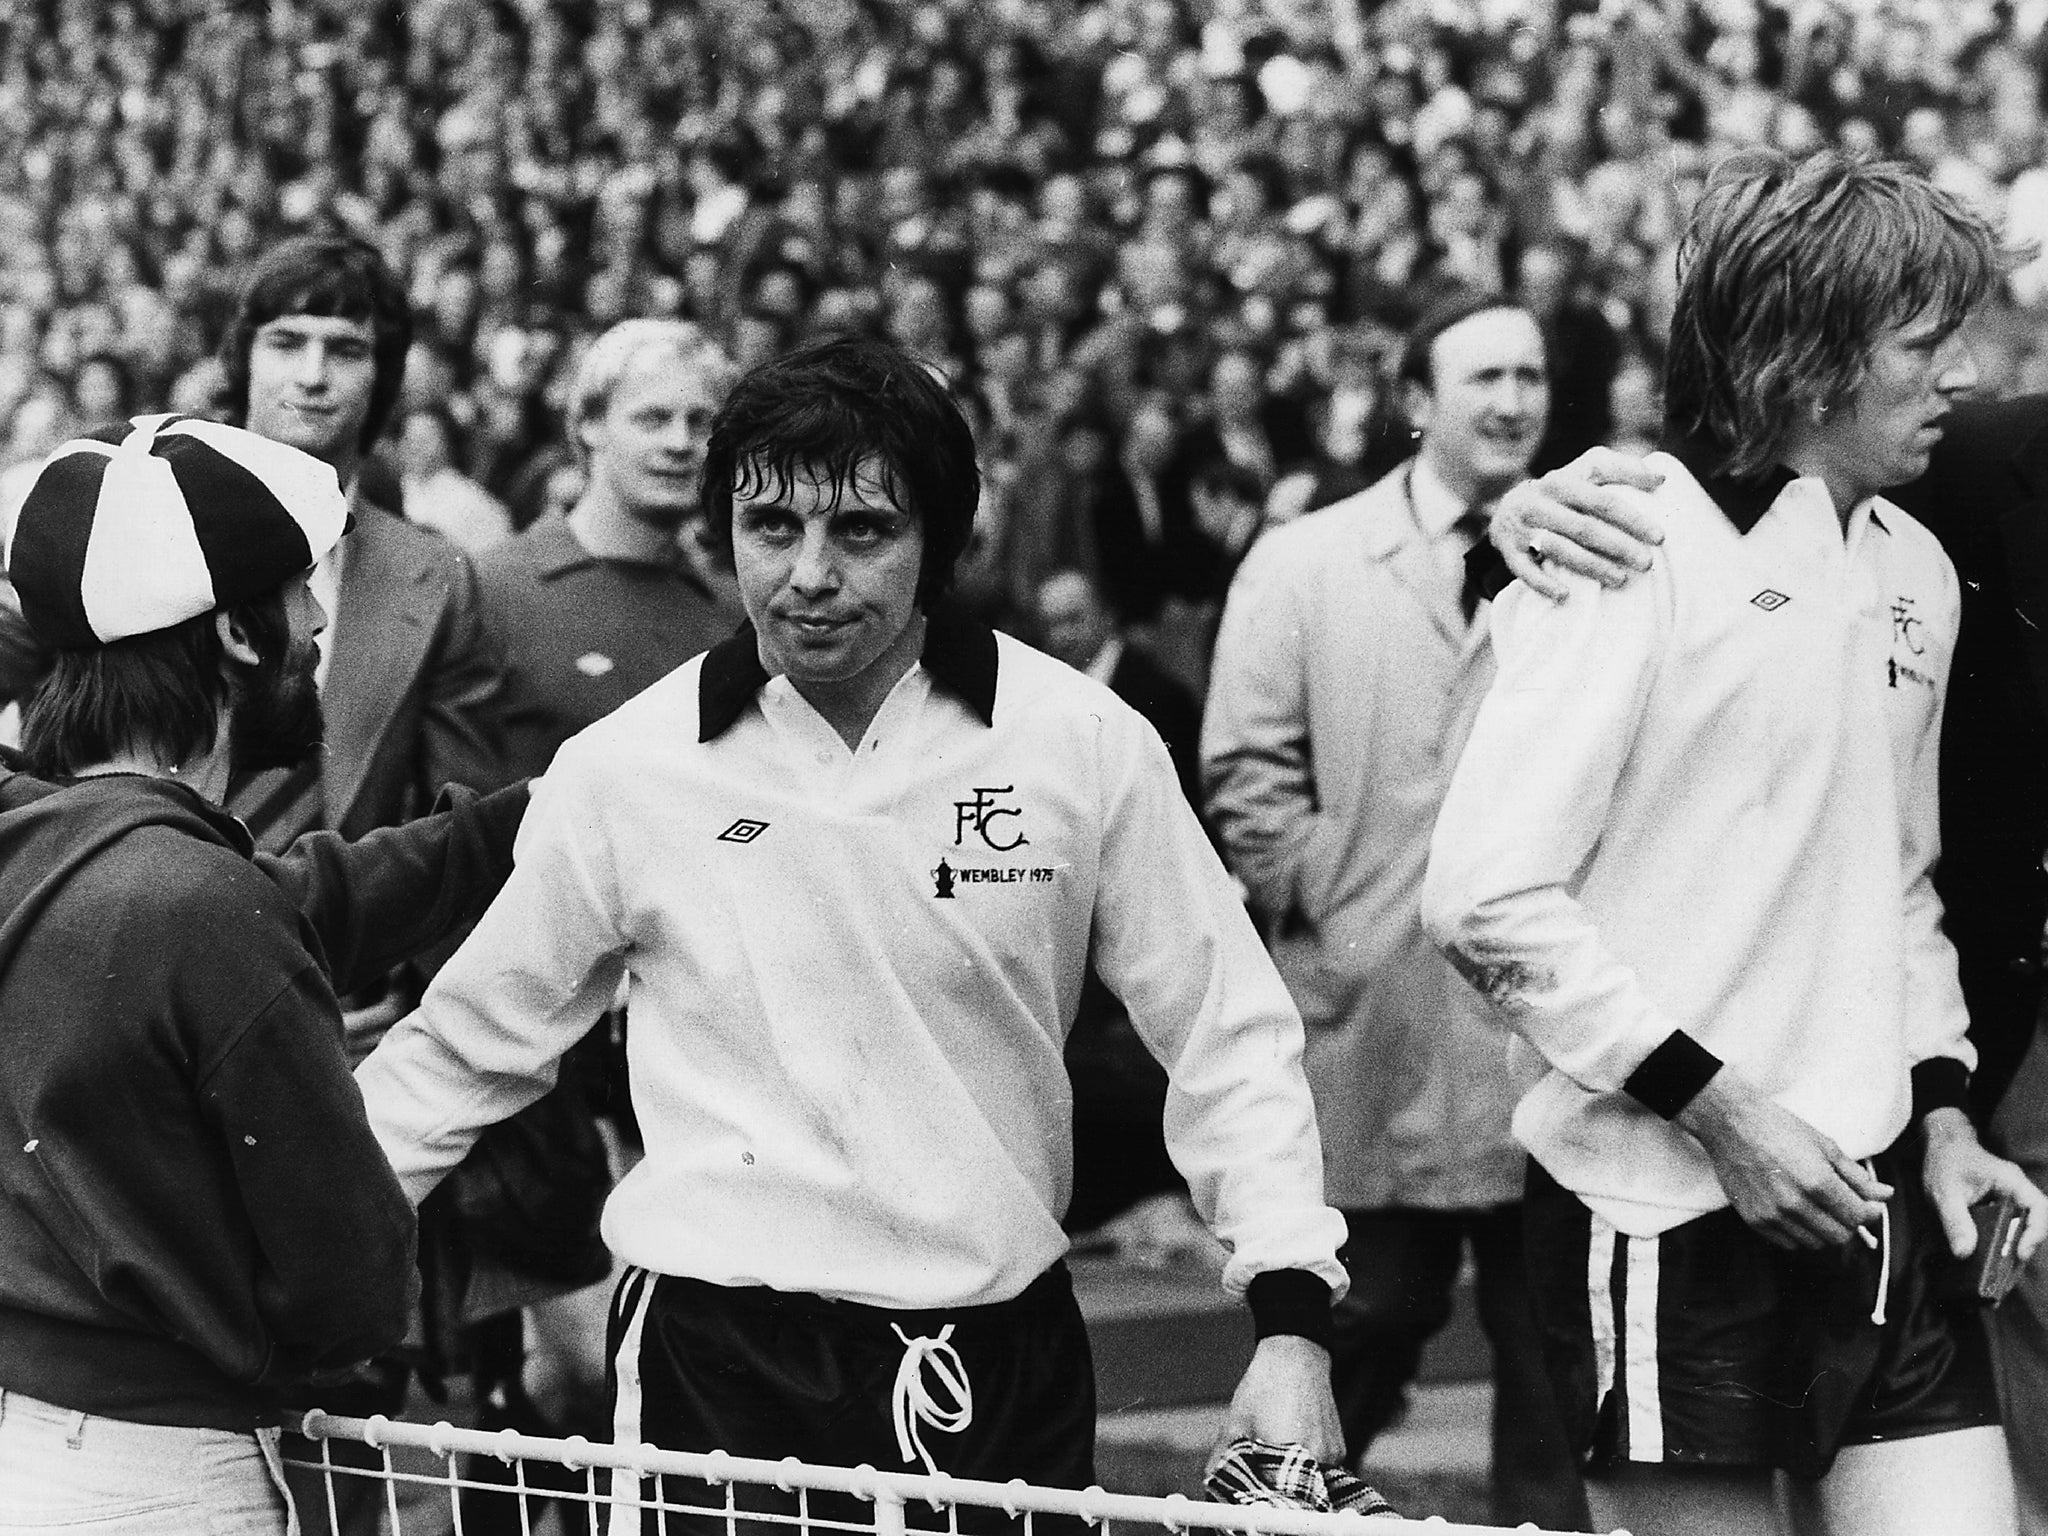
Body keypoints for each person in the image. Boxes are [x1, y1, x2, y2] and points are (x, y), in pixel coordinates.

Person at [356, 334, 1349, 1530]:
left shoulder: (1079, 743)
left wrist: (1290, 1319)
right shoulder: (628, 769)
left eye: (861, 531)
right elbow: (467, 1044)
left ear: (938, 540)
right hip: (714, 1370)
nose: (809, 574)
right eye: (771, 527)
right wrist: (263, 1259)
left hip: (997, 1365)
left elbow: (1225, 1028)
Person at [1420, 151, 2048, 1536]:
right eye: (1925, 341)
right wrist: (1729, 1115)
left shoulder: (1914, 567)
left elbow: (1891, 880)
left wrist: (1940, 1115)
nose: (1963, 374)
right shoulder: (1623, 540)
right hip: (1659, 1207)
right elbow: (1481, 900)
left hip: (1872, 1199)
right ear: (1807, 351)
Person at [0, 416, 527, 1535]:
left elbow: (292, 898)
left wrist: (545, 813)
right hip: (164, 1477)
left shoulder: (59, 846)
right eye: (297, 591)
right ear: (238, 636)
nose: (320, 620)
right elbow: (355, 1287)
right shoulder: (203, 909)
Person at [1202, 291, 1585, 1532]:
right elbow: (1243, 777)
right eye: (1482, 377)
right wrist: (1343, 900)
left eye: (1528, 376)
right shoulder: (1304, 560)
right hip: (1371, 1021)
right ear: (1416, 403)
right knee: (1352, 1331)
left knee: (1553, 1363)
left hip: (1546, 1033)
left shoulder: (1593, 557)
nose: (1512, 401)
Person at [220, 229, 509, 1534]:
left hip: (349, 1033)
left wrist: (407, 1007)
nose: (316, 375)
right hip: (149, 996)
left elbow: (459, 829)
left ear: (386, 379)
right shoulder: (151, 526)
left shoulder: (431, 577)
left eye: (349, 348)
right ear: (242, 362)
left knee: (337, 1406)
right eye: (288, 341)